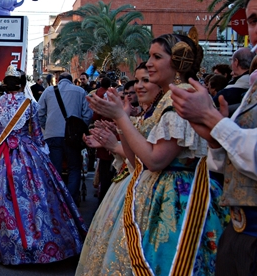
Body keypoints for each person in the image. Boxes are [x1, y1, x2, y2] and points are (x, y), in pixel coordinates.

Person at [87, 32, 228, 275]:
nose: (149, 63)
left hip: (180, 201)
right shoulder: (168, 98)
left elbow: (155, 160)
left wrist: (121, 118)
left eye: (157, 56)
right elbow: (137, 162)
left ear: (178, 61)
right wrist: (121, 122)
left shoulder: (182, 97)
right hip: (155, 193)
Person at [169, 0, 257, 276]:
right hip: (238, 231)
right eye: (253, 21)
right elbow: (228, 161)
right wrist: (214, 136)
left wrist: (214, 122)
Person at [0, 66, 87, 265]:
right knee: (36, 198)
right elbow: (36, 134)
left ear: (5, 84)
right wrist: (41, 152)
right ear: (22, 85)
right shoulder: (30, 105)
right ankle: (36, 243)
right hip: (28, 155)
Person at [76, 62, 163, 276]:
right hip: (133, 181)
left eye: (146, 80)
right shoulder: (147, 112)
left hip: (151, 188)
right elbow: (135, 159)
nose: (139, 88)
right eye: (137, 82)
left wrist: (116, 135)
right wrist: (115, 134)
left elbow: (148, 159)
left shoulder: (162, 114)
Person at [37, 72, 92, 204]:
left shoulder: (48, 91)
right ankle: (71, 200)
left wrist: (47, 125)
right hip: (72, 137)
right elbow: (88, 114)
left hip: (52, 135)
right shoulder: (80, 91)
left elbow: (39, 113)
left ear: (58, 80)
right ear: (72, 80)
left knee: (55, 169)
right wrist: (79, 128)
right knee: (74, 167)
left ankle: (57, 200)